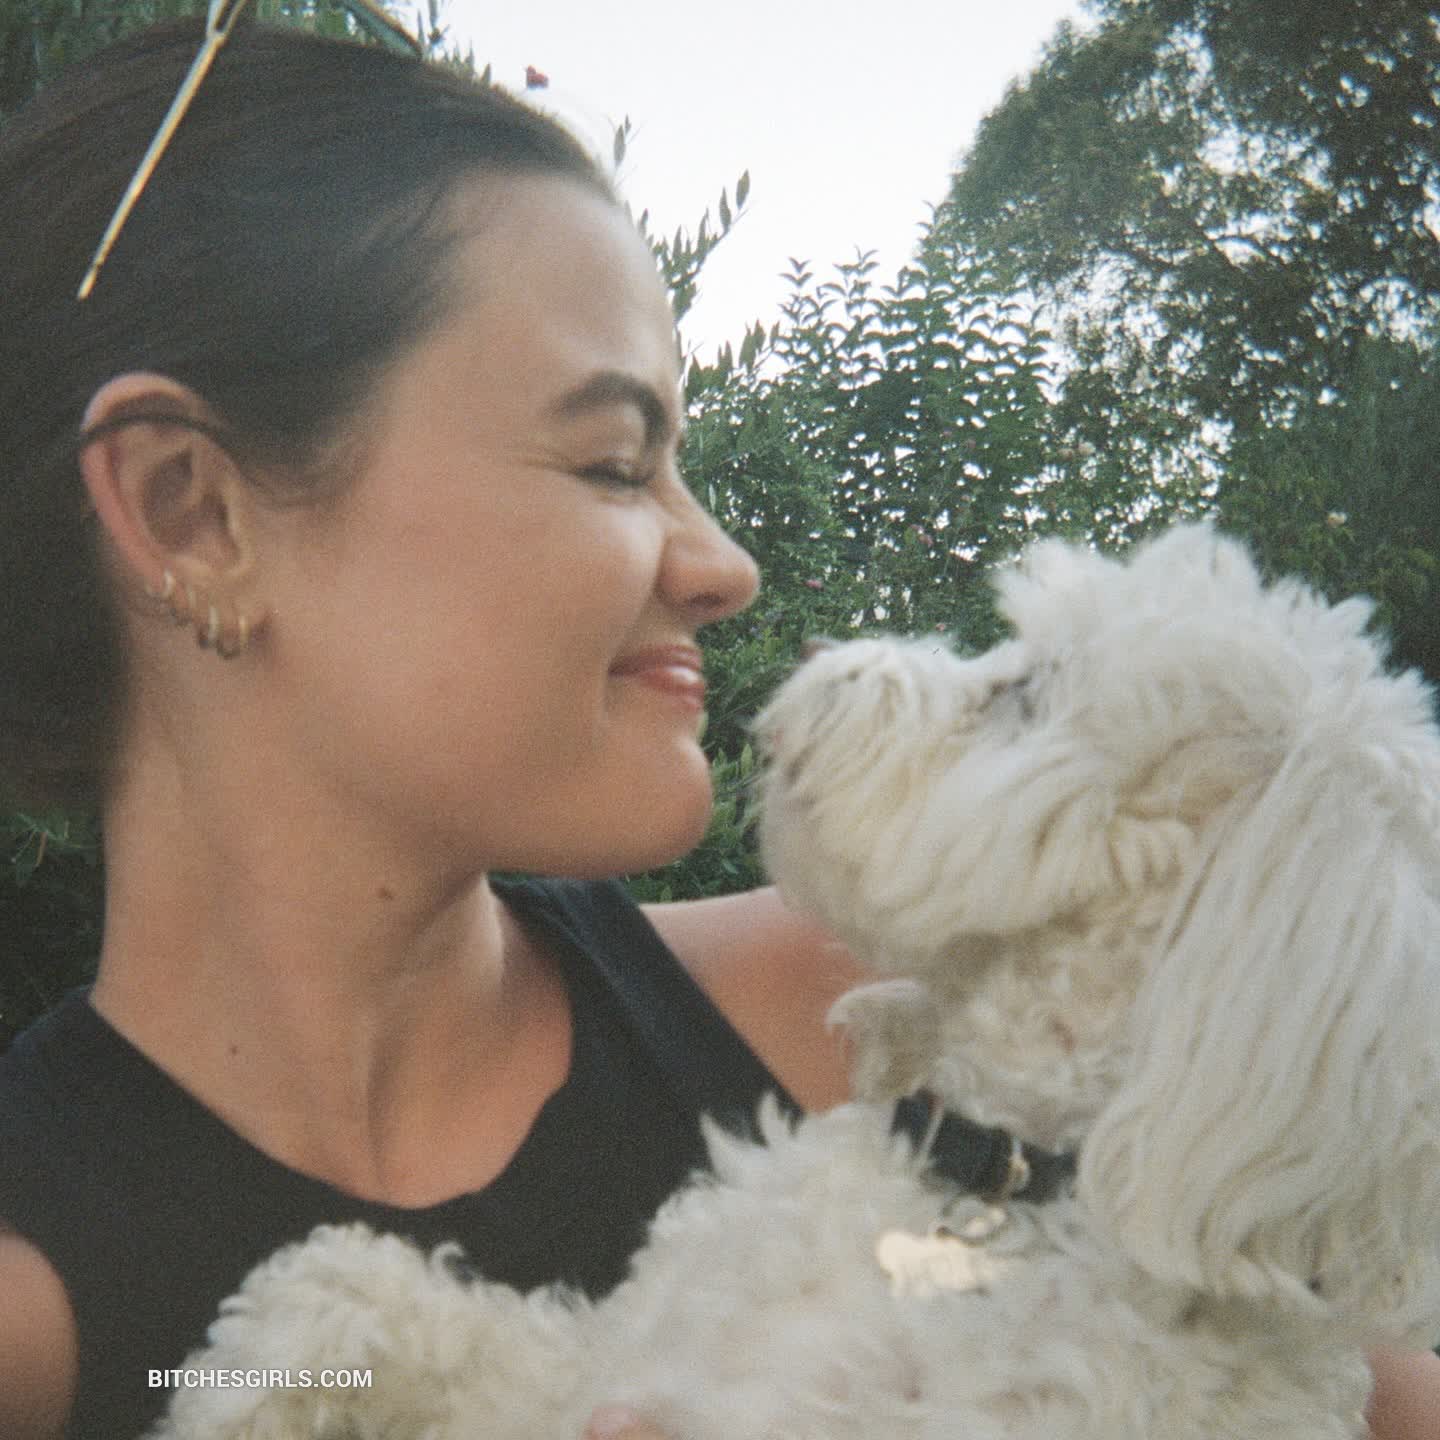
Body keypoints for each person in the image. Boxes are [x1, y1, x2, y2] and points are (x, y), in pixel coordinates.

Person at [0, 19, 1435, 1440]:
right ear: (193, 512)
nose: (726, 565)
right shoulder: (35, 1319)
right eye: (614, 462)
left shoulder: (913, 1025)